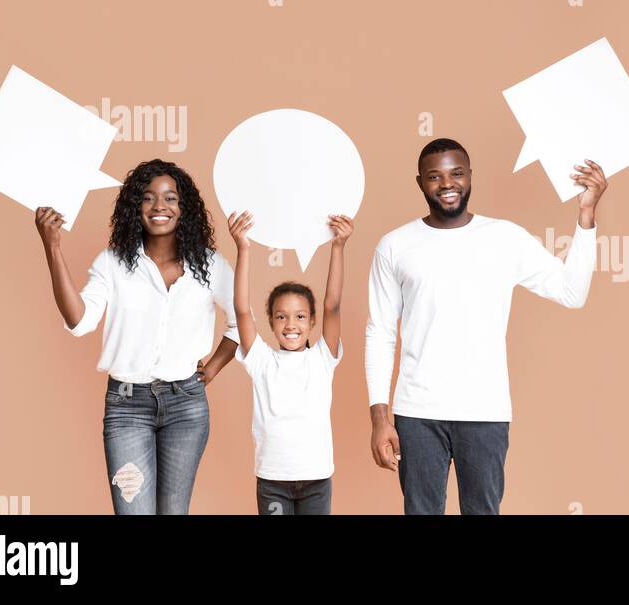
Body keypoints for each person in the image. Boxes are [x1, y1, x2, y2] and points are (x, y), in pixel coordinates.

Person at [365, 138, 608, 514]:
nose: (448, 184)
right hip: (417, 412)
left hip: (485, 410)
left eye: (457, 173)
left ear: (470, 176)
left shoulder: (504, 237)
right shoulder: (395, 246)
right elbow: (379, 332)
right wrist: (380, 419)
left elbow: (571, 292)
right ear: (420, 183)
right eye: (436, 176)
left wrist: (587, 215)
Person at [34, 158, 240, 514]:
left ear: (184, 208)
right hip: (126, 408)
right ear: (135, 207)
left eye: (171, 198)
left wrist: (213, 368)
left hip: (186, 407)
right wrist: (52, 247)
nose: (160, 206)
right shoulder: (112, 263)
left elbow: (241, 322)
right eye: (148, 198)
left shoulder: (210, 265)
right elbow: (79, 321)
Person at [227, 210, 350, 515]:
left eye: (299, 317)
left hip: (316, 479)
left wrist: (338, 247)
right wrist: (243, 248)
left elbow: (332, 305)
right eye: (281, 316)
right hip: (273, 480)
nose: (290, 324)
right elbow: (242, 310)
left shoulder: (323, 358)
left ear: (312, 322)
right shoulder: (262, 360)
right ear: (270, 321)